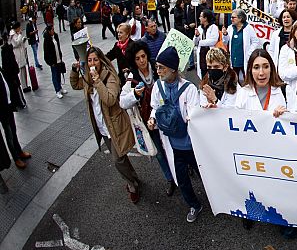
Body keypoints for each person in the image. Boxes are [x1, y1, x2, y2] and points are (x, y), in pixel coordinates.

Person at [237, 49, 297, 233]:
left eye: (265, 66)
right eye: (256, 67)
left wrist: (287, 115)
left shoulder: (285, 91)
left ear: (272, 68)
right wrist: (212, 110)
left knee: (279, 188)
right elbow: (232, 122)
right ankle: (251, 213)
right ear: (250, 70)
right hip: (253, 152)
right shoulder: (243, 93)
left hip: (278, 153)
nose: (261, 72)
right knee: (252, 186)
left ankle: (283, 220)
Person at [71, 47, 141, 203]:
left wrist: (97, 81)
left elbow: (109, 99)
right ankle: (134, 177)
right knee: (121, 157)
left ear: (101, 60)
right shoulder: (88, 77)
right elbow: (75, 85)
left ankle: (132, 185)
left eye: (95, 59)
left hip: (114, 125)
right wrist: (74, 70)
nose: (92, 63)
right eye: (89, 60)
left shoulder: (110, 76)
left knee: (118, 160)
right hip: (102, 127)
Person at [147, 46, 204, 222]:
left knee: (204, 174)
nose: (157, 71)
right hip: (173, 145)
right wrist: (152, 119)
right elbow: (155, 108)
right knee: (183, 180)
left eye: (161, 67)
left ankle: (217, 197)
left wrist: (188, 117)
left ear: (172, 69)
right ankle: (195, 205)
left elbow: (194, 114)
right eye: (157, 67)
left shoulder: (189, 89)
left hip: (192, 145)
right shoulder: (157, 87)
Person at [119, 41, 176, 196]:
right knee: (159, 152)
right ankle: (170, 179)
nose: (142, 60)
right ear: (133, 61)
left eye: (143, 56)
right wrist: (135, 95)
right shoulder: (132, 78)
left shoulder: (158, 67)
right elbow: (122, 102)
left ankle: (182, 170)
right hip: (149, 122)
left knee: (173, 145)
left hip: (168, 116)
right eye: (137, 58)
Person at [225, 8, 259, 85]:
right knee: (234, 80)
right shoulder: (230, 28)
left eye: (233, 17)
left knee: (247, 80)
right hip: (233, 59)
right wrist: (225, 35)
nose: (231, 19)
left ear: (240, 18)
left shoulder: (248, 28)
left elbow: (255, 41)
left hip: (244, 58)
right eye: (231, 17)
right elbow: (225, 41)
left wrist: (249, 52)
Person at [43, 24, 67, 99]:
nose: (54, 31)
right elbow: (46, 53)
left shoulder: (55, 36)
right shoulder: (46, 40)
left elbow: (58, 47)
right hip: (53, 62)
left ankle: (60, 87)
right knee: (55, 76)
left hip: (58, 58)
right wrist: (50, 63)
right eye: (52, 30)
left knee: (59, 74)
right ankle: (57, 90)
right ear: (49, 31)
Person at [193, 9, 219, 79]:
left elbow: (213, 41)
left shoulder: (214, 27)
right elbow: (195, 42)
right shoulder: (199, 28)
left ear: (205, 18)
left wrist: (200, 42)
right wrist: (196, 36)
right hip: (202, 55)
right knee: (203, 73)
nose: (199, 18)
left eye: (201, 16)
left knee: (211, 73)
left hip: (210, 54)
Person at [8, 22, 30, 93]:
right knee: (21, 71)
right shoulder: (12, 34)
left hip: (21, 54)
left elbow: (19, 42)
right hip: (18, 55)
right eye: (19, 27)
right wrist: (20, 35)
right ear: (16, 28)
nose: (20, 29)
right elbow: (16, 43)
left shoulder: (16, 33)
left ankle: (26, 85)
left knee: (24, 70)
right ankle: (24, 87)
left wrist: (23, 39)